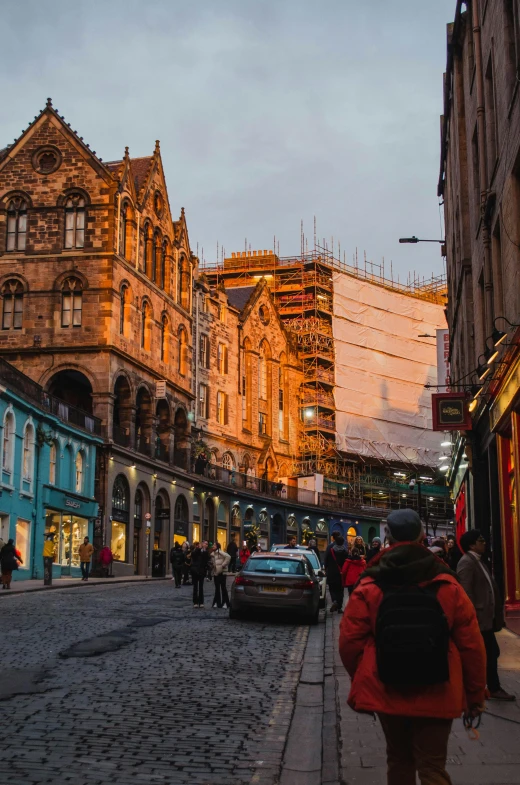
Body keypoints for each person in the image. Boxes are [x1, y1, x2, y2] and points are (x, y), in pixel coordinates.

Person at [340, 509, 486, 785]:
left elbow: (349, 642)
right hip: (439, 688)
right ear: (422, 535)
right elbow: (471, 646)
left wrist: (365, 677)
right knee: (432, 768)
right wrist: (475, 694)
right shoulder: (448, 584)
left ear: (387, 537)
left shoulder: (370, 585)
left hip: (387, 687)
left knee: (399, 760)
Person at [457, 530, 515, 701]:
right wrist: (473, 614)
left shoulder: (478, 561)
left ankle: (485, 687)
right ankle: (490, 687)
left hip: (485, 619)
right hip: (478, 619)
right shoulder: (467, 562)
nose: (484, 543)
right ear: (472, 545)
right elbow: (466, 592)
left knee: (490, 653)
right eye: (480, 540)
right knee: (489, 652)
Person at [324, 535, 348, 612]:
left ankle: (334, 601)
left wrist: (326, 568)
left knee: (332, 589)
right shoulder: (345, 551)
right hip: (341, 574)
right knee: (340, 590)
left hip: (331, 573)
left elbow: (326, 560)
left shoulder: (331, 550)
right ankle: (340, 607)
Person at [210, 543, 231, 608]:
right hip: (216, 572)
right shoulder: (212, 554)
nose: (213, 546)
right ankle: (217, 602)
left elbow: (228, 557)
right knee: (217, 588)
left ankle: (225, 603)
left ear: (217, 546)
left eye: (214, 545)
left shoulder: (221, 552)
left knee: (223, 588)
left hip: (222, 572)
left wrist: (223, 565)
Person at [190, 541, 210, 608]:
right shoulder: (196, 550)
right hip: (195, 571)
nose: (205, 545)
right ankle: (195, 602)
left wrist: (204, 551)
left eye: (207, 544)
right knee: (195, 587)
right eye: (205, 543)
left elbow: (206, 559)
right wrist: (199, 548)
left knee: (201, 587)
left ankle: (201, 602)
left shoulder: (206, 552)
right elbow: (193, 555)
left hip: (201, 571)